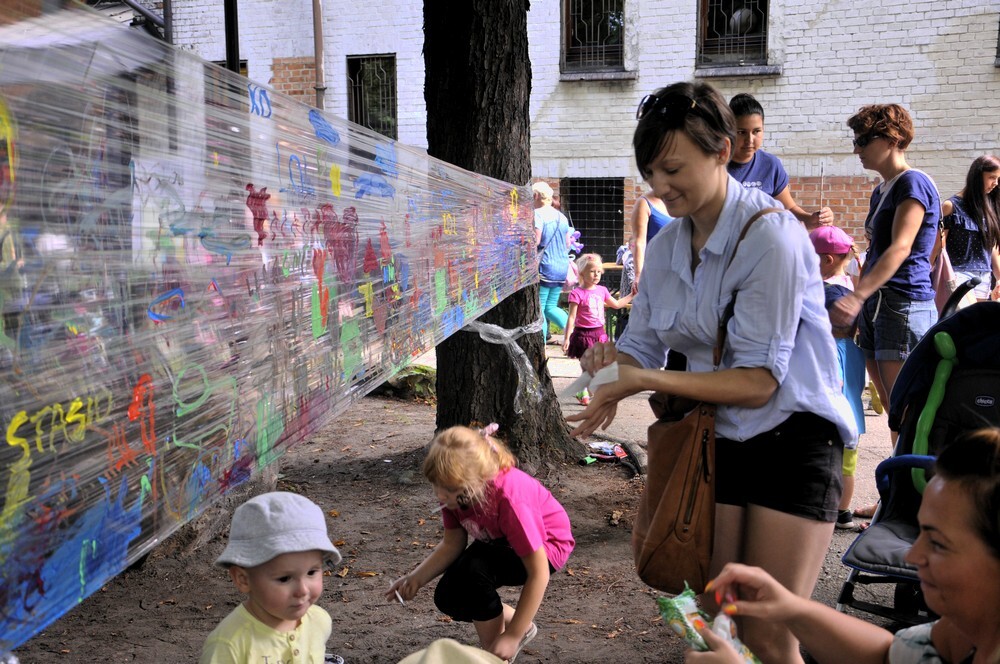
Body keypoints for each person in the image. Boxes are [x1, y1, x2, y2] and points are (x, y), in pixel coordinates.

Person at [566, 80, 856, 664]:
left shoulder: (770, 235)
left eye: (673, 168)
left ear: (722, 151)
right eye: (651, 171)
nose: (660, 186)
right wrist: (605, 374)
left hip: (795, 439)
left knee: (770, 634)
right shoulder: (670, 246)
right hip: (716, 443)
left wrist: (644, 380)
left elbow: (757, 382)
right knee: (715, 618)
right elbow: (642, 347)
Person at [686, 427, 1000, 664]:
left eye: (939, 543)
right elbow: (888, 654)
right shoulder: (965, 631)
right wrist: (791, 608)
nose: (914, 554)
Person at [386, 425, 575, 663]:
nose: (441, 496)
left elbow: (538, 573)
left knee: (473, 573)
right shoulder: (454, 496)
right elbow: (452, 545)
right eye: (436, 486)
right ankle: (517, 623)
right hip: (502, 542)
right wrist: (415, 578)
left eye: (450, 490)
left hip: (547, 546)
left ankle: (494, 657)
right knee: (448, 595)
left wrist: (513, 636)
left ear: (477, 482)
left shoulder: (510, 500)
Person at [829, 104, 940, 433]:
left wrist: (855, 297)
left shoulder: (913, 183)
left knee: (907, 411)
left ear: (892, 138)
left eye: (863, 140)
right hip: (880, 305)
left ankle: (912, 481)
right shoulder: (881, 191)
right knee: (895, 411)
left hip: (902, 303)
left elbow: (901, 248)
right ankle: (898, 480)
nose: (856, 149)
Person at [201, 491, 342, 664]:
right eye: (284, 579)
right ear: (243, 579)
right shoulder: (229, 646)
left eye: (312, 572)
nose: (302, 590)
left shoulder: (319, 622)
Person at [809, 225, 867, 531]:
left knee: (834, 449)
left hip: (833, 363)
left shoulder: (826, 294)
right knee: (849, 450)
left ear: (827, 259)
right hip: (851, 361)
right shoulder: (850, 286)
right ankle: (843, 512)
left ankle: (831, 509)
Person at [727, 93, 833, 230]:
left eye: (756, 131)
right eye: (741, 132)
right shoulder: (714, 165)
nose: (750, 140)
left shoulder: (770, 165)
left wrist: (812, 219)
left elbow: (788, 209)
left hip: (762, 247)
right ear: (728, 130)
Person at [563, 253, 634, 404]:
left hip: (599, 333)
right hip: (583, 334)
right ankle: (583, 392)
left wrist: (632, 295)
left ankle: (588, 388)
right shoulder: (577, 294)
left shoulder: (602, 290)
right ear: (582, 273)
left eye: (598, 272)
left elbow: (616, 304)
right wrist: (567, 338)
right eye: (592, 271)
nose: (596, 275)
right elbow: (571, 318)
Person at [939, 154, 1000, 302]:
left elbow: (992, 248)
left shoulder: (989, 208)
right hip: (958, 274)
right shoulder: (951, 206)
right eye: (992, 177)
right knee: (962, 322)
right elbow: (938, 248)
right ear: (978, 175)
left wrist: (999, 278)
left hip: (984, 276)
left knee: (979, 323)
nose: (996, 183)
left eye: (998, 179)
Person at [533, 181, 574, 343]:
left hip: (545, 266)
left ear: (536, 196)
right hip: (561, 267)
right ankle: (572, 335)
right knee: (551, 306)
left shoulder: (537, 215)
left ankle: (540, 344)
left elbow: (535, 241)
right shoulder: (561, 216)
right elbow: (568, 244)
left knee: (540, 308)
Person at [630, 191, 674, 284]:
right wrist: (638, 275)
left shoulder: (684, 201)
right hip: (656, 272)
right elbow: (638, 242)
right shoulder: (644, 203)